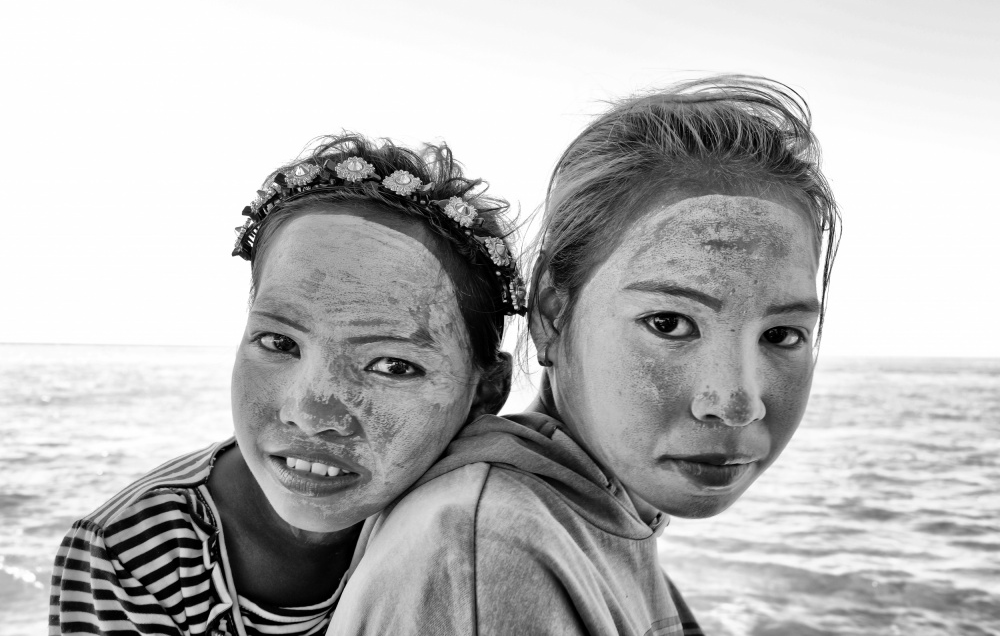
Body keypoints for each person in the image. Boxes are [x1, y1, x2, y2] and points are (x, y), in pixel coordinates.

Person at [328, 77, 841, 636]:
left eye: (783, 335)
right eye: (669, 323)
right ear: (552, 312)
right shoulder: (487, 550)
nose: (736, 404)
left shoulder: (599, 514)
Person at [48, 135, 524, 636]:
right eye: (279, 342)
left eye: (393, 366)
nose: (312, 414)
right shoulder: (131, 550)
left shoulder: (488, 534)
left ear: (485, 393)